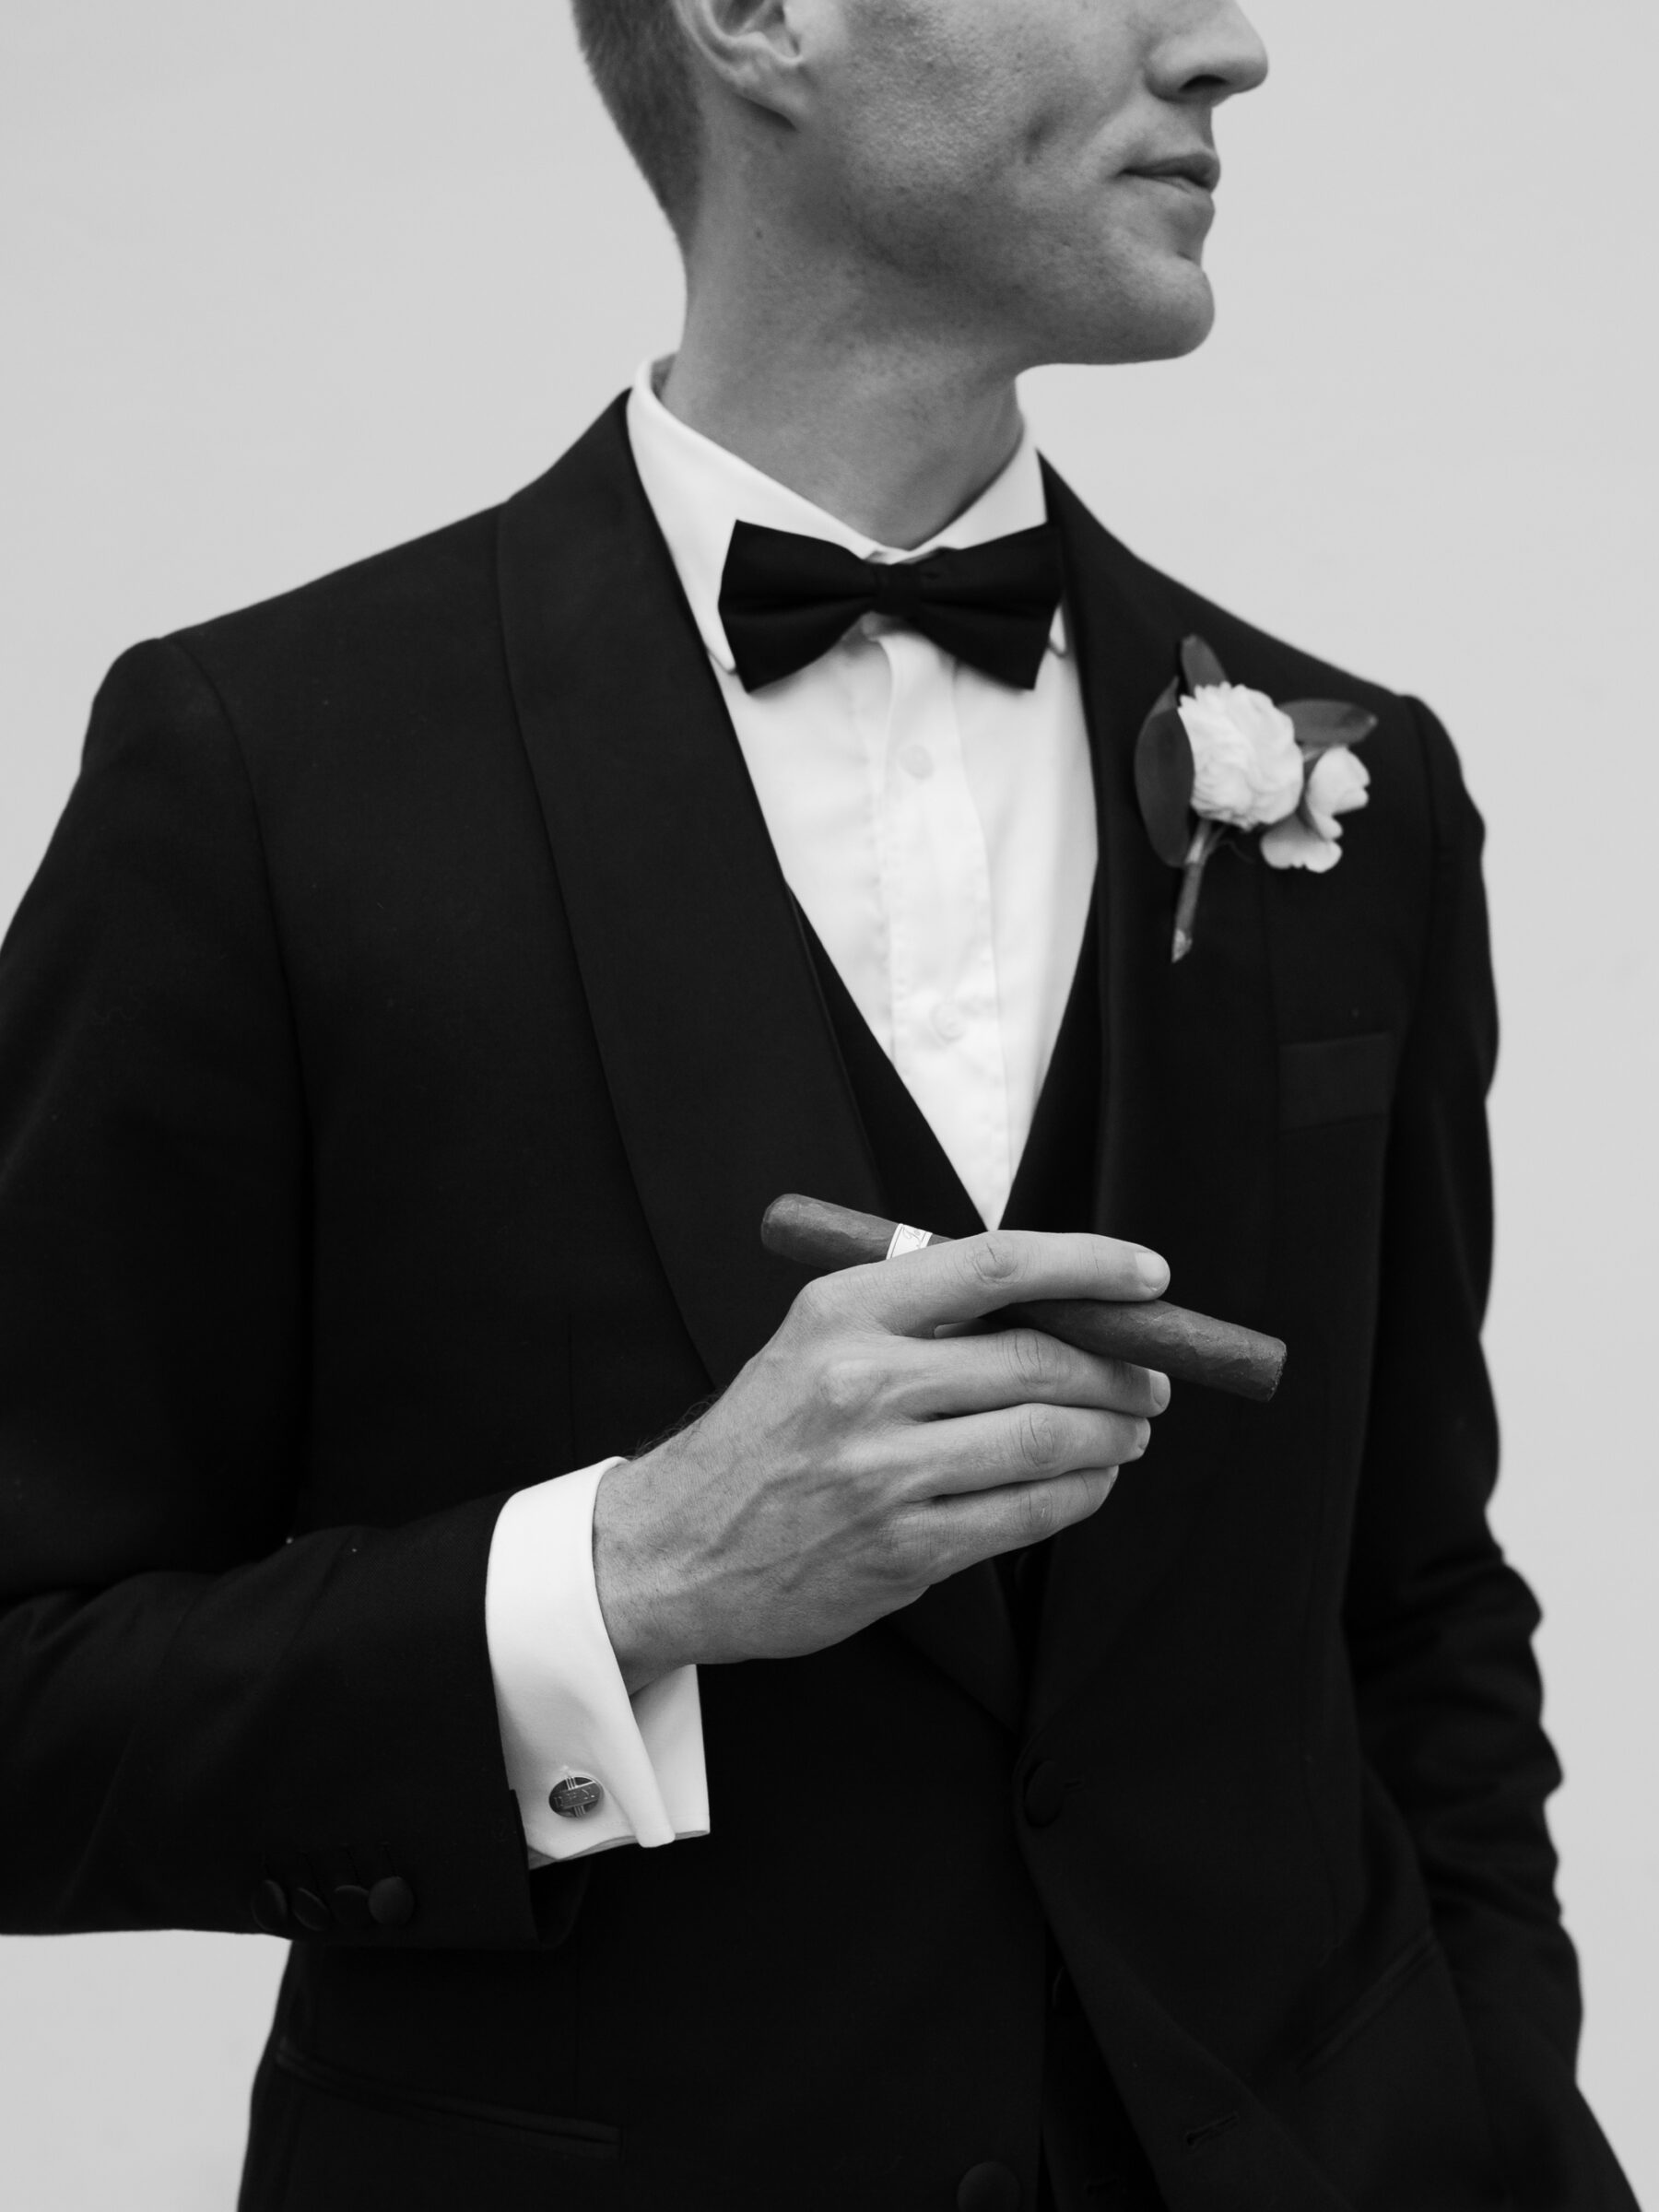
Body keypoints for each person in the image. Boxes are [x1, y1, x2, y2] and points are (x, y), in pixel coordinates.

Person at [0, 1, 1636, 2206]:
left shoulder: (1357, 783)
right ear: (762, 17)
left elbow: (1412, 1593)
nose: (1230, 44)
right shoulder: (262, 777)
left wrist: (1499, 2123)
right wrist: (622, 1579)